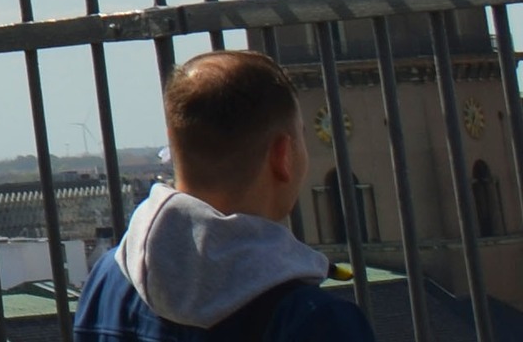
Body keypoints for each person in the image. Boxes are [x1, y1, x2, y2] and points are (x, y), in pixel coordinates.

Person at [72, 53, 370, 342]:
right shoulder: (314, 320)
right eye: (300, 136)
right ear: (282, 156)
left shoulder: (107, 280)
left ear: (175, 146)